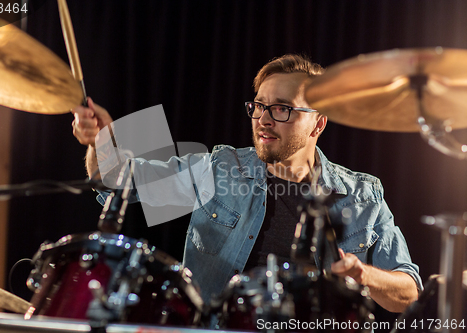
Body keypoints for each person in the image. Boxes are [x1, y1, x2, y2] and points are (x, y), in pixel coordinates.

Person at [72, 54, 422, 315]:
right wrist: (100, 141)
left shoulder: (363, 195)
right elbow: (117, 180)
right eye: (258, 106)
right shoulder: (219, 168)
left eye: (282, 109)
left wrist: (364, 275)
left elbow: (408, 291)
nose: (264, 119)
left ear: (317, 125)